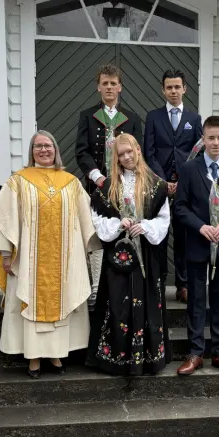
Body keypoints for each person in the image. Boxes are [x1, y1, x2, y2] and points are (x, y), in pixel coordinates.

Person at [0, 130, 100, 379]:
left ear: (55, 149)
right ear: (32, 151)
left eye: (48, 145)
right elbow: (6, 220)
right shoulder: (19, 181)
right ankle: (34, 358)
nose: (43, 150)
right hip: (28, 261)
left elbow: (87, 219)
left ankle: (56, 354)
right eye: (38, 146)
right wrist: (6, 254)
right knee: (30, 300)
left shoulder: (71, 182)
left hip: (64, 260)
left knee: (63, 300)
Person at [87, 133, 171, 376]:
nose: (126, 157)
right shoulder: (108, 186)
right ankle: (115, 358)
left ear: (138, 150)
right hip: (118, 256)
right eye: (121, 154)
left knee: (147, 303)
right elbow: (96, 218)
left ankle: (147, 359)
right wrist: (118, 224)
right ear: (116, 158)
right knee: (117, 303)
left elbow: (164, 219)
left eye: (129, 151)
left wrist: (144, 226)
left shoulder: (156, 184)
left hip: (146, 253)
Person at [174, 116, 219, 376]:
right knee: (195, 299)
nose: (216, 142)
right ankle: (195, 352)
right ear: (203, 139)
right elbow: (180, 207)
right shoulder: (189, 169)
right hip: (197, 243)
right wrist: (200, 227)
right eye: (211, 138)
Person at [75, 64, 143, 307]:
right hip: (97, 186)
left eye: (113, 83)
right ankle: (96, 287)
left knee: (125, 231)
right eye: (105, 83)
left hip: (126, 187)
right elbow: (81, 151)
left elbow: (138, 153)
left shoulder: (132, 119)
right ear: (98, 87)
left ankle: (124, 285)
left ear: (120, 87)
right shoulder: (87, 116)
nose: (109, 87)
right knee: (97, 234)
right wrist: (97, 177)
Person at [144, 69, 203, 304]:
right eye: (169, 87)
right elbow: (148, 152)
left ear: (184, 89)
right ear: (163, 90)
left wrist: (182, 182)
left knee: (183, 237)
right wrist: (163, 181)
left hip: (185, 188)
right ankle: (158, 283)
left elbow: (199, 153)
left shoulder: (194, 119)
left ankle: (183, 285)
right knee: (158, 235)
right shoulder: (153, 117)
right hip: (159, 187)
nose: (173, 91)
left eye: (177, 87)